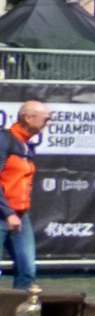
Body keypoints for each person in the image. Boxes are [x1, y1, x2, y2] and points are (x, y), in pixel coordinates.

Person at [2, 100, 38, 296]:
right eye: (46, 118)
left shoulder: (26, 145)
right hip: (3, 212)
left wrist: (17, 212)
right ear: (28, 118)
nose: (49, 122)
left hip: (20, 214)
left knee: (27, 270)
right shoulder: (4, 140)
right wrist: (7, 213)